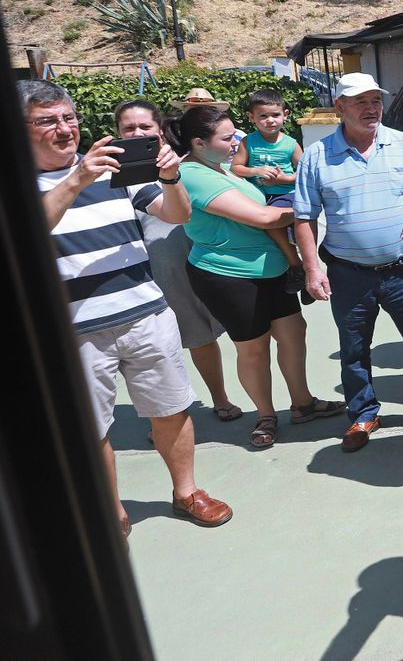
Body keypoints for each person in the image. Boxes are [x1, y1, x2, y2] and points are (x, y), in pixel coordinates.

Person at [25, 81, 232, 534]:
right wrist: (77, 178)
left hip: (146, 315)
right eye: (47, 121)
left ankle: (187, 491)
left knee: (172, 409)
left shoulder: (113, 171)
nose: (64, 129)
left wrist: (171, 178)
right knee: (92, 427)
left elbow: (177, 216)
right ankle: (111, 510)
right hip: (75, 331)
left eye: (68, 118)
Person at [169, 105, 342, 449]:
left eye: (234, 133)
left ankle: (303, 403)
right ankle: (266, 415)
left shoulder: (222, 169)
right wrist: (311, 210)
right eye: (227, 137)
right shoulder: (191, 174)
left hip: (271, 268)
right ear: (199, 143)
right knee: (254, 349)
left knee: (293, 333)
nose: (236, 141)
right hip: (228, 274)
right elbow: (262, 217)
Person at [294, 73, 403, 452]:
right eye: (360, 101)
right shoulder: (316, 156)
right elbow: (304, 217)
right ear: (339, 107)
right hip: (348, 273)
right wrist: (312, 269)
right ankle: (363, 413)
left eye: (375, 100)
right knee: (354, 346)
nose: (371, 108)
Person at [114, 100, 239, 421]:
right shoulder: (109, 174)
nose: (137, 133)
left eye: (145, 127)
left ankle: (219, 398)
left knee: (205, 335)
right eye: (128, 128)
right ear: (117, 132)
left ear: (160, 132)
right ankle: (164, 418)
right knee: (157, 348)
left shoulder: (187, 165)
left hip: (193, 261)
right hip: (145, 272)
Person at [231, 88, 307, 292]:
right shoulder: (248, 142)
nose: (270, 120)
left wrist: (285, 179)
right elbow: (235, 168)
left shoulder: (291, 144)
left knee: (271, 223)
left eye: (275, 115)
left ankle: (297, 266)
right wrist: (255, 170)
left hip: (285, 194)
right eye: (263, 116)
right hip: (259, 196)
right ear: (251, 117)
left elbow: (305, 173)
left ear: (285, 115)